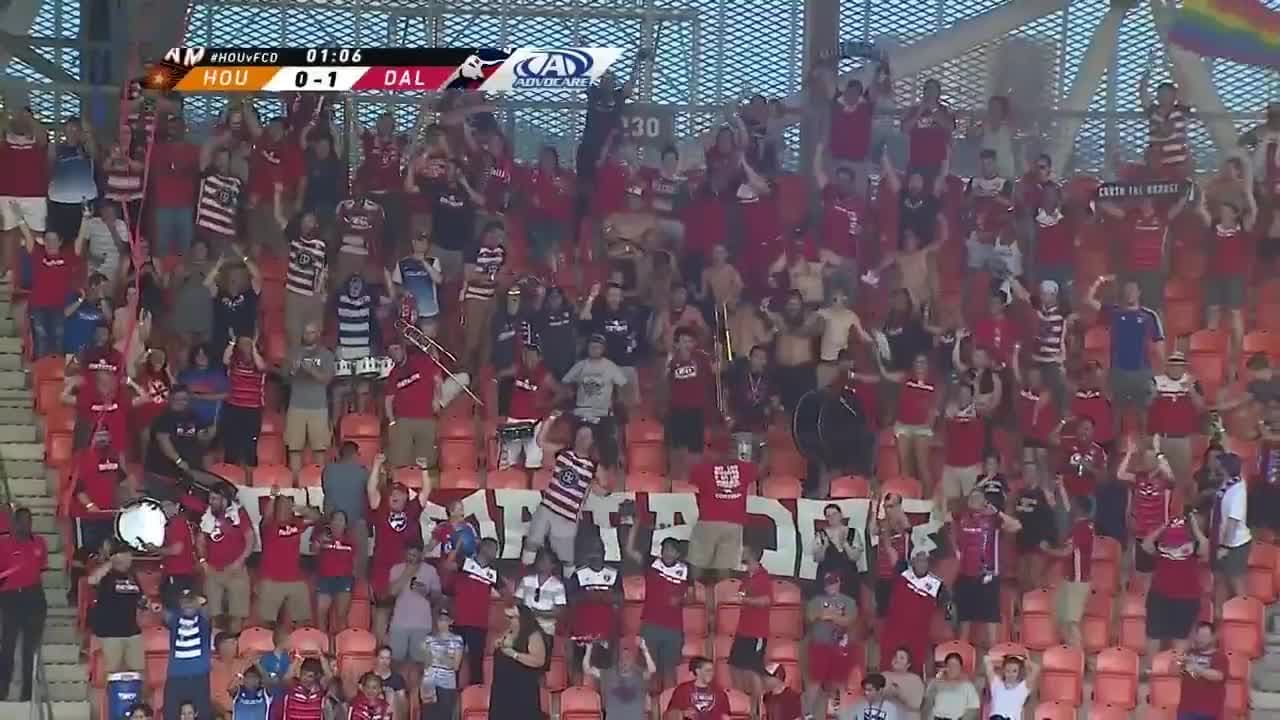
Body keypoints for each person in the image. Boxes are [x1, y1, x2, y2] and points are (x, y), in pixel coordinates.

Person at [521, 421, 604, 574]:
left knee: (566, 559)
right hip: (547, 508)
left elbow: (602, 491)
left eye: (586, 436)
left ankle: (565, 583)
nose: (582, 439)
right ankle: (525, 577)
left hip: (567, 517)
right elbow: (541, 442)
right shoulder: (563, 452)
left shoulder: (594, 465)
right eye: (580, 435)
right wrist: (550, 419)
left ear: (592, 441)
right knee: (531, 546)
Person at [625, 517, 690, 694]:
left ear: (677, 554)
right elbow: (630, 550)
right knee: (647, 670)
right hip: (650, 625)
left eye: (671, 550)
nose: (667, 552)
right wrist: (636, 525)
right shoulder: (652, 563)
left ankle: (670, 703)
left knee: (670, 672)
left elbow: (690, 596)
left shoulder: (686, 570)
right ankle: (646, 705)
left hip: (673, 628)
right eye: (664, 549)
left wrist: (681, 599)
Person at [952, 487, 1022, 651]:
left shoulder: (993, 519)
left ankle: (993, 655)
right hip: (965, 574)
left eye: (978, 498)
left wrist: (997, 513)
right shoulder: (961, 517)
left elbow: (1016, 526)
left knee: (990, 619)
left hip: (988, 575)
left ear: (984, 501)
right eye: (972, 498)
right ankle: (962, 655)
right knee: (964, 620)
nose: (974, 501)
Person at [366, 454, 428, 642]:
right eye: (392, 494)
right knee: (382, 608)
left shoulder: (412, 510)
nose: (395, 496)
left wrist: (424, 470)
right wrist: (376, 465)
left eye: (399, 493)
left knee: (402, 608)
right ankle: (379, 648)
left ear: (406, 497)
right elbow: (371, 490)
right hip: (382, 567)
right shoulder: (381, 510)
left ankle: (396, 647)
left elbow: (426, 491)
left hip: (404, 567)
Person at [688, 438, 758, 582]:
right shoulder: (745, 468)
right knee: (725, 566)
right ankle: (723, 592)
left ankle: (694, 590)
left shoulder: (704, 468)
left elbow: (690, 476)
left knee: (698, 561)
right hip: (734, 523)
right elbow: (759, 470)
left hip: (709, 520)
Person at [1143, 516, 1211, 656]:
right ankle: (1153, 667)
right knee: (1154, 635)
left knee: (1180, 637)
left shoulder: (1194, 547)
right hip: (1159, 596)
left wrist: (1195, 528)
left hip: (1187, 598)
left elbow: (1205, 549)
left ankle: (1176, 667)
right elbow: (1146, 546)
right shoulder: (1160, 545)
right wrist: (1163, 527)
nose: (1174, 545)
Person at [0, 508, 49, 701]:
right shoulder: (3, 544)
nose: (26, 525)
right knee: (8, 646)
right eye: (21, 521)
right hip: (10, 597)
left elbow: (41, 568)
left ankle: (27, 693)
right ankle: (2, 690)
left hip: (34, 596)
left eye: (29, 521)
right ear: (14, 523)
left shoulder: (39, 542)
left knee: (29, 648)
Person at [561, 333, 630, 469]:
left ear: (603, 349)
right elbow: (565, 382)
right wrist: (571, 394)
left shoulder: (610, 366)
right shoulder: (580, 366)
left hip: (603, 413)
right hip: (582, 412)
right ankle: (577, 469)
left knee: (608, 446)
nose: (594, 349)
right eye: (592, 347)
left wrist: (616, 401)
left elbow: (623, 385)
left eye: (598, 347)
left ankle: (607, 470)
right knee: (578, 441)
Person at [256, 494, 320, 629]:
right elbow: (267, 515)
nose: (285, 509)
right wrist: (274, 497)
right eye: (281, 506)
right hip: (271, 579)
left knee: (303, 622)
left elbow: (316, 517)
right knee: (267, 624)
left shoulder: (296, 522)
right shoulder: (268, 525)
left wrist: (297, 507)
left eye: (287, 507)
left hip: (295, 578)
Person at [878, 550, 946, 675]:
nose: (922, 564)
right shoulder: (902, 574)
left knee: (915, 666)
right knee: (888, 663)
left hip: (917, 634)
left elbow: (946, 607)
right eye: (919, 560)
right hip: (894, 630)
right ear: (913, 561)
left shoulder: (936, 585)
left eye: (925, 561)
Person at [197, 489, 254, 633]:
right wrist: (203, 562)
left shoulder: (239, 514)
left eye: (215, 499)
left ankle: (234, 642)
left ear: (224, 500)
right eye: (210, 498)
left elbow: (250, 539)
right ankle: (215, 641)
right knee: (213, 613)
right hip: (213, 570)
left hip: (236, 570)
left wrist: (240, 561)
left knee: (237, 614)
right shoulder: (207, 515)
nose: (211, 502)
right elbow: (200, 540)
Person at [88, 541, 147, 680]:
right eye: (125, 556)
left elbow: (140, 597)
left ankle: (137, 694)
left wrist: (146, 604)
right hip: (111, 632)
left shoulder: (132, 576)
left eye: (129, 556)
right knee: (113, 672)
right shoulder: (107, 575)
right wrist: (111, 562)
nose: (129, 559)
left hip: (132, 630)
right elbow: (92, 580)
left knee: (138, 672)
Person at [284, 322, 335, 474]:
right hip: (296, 406)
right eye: (306, 332)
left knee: (319, 449)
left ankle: (318, 482)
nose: (308, 336)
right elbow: (284, 379)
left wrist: (311, 370)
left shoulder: (326, 354)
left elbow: (327, 380)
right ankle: (296, 482)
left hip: (318, 407)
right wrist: (293, 370)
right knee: (294, 448)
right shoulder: (293, 353)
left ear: (318, 334)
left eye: (312, 332)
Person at [453, 537, 502, 686]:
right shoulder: (464, 563)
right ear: (484, 548)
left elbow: (505, 592)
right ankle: (451, 692)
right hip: (459, 620)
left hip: (479, 623)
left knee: (476, 662)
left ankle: (476, 693)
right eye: (493, 549)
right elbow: (448, 569)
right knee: (454, 661)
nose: (495, 553)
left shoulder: (493, 573)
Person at [728, 544, 772, 700]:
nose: (741, 554)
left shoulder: (763, 576)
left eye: (744, 552)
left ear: (752, 555)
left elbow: (766, 601)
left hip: (756, 632)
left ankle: (756, 709)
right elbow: (742, 595)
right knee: (734, 667)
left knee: (753, 671)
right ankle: (740, 702)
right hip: (743, 630)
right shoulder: (747, 577)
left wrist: (744, 600)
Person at [489, 605, 548, 720]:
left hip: (522, 690)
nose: (509, 620)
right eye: (508, 617)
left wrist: (514, 655)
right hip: (502, 689)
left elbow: (539, 661)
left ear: (522, 619)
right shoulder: (507, 633)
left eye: (512, 618)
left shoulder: (533, 635)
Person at [388, 542, 443, 666]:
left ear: (420, 555)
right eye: (409, 554)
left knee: (419, 664)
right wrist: (407, 573)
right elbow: (392, 593)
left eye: (414, 555)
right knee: (395, 661)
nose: (411, 557)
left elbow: (437, 598)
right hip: (399, 624)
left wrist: (425, 592)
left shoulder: (430, 571)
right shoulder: (396, 569)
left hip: (422, 625)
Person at [321, 442, 370, 578]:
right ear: (355, 454)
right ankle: (358, 583)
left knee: (331, 564)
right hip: (355, 524)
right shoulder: (363, 472)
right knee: (357, 566)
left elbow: (325, 490)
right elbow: (372, 492)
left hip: (332, 523)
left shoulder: (328, 470)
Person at [163, 589, 214, 720]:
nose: (188, 605)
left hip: (199, 676)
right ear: (179, 603)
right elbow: (163, 612)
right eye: (185, 601)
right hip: (176, 676)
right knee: (171, 714)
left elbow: (207, 608)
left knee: (202, 714)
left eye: (191, 601)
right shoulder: (175, 617)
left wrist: (200, 601)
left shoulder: (203, 619)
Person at [1211, 453, 1252, 617]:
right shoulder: (1227, 483)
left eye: (1217, 465)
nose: (1214, 467)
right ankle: (1217, 616)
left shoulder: (1238, 491)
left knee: (1236, 583)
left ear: (1224, 469)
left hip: (1234, 545)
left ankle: (1246, 617)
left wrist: (1224, 547)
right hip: (1219, 541)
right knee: (1219, 580)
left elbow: (1233, 522)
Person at [220, 336, 267, 470]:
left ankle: (249, 479)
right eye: (243, 344)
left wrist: (254, 349)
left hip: (252, 411)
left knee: (250, 448)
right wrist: (232, 343)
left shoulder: (260, 363)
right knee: (231, 447)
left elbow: (261, 366)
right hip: (233, 408)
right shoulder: (234, 362)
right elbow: (225, 360)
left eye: (248, 344)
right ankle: (230, 476)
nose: (245, 347)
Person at [515, 548, 567, 666]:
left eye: (545, 560)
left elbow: (559, 611)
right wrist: (525, 614)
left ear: (553, 565)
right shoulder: (526, 580)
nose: (541, 563)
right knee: (522, 663)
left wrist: (537, 613)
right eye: (540, 560)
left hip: (546, 630)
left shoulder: (558, 586)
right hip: (525, 629)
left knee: (540, 665)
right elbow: (517, 601)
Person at [583, 639, 655, 720]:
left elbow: (652, 669)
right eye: (623, 658)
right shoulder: (608, 674)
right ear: (618, 661)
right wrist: (589, 649)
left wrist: (645, 650)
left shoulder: (639, 675)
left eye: (628, 658)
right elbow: (587, 669)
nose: (625, 661)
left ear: (633, 662)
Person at [312, 511, 355, 637]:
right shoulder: (322, 536)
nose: (338, 523)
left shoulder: (351, 539)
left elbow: (356, 561)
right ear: (330, 523)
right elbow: (313, 550)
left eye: (341, 520)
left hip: (344, 580)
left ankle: (342, 645)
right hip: (325, 579)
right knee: (321, 615)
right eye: (335, 520)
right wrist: (320, 541)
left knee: (341, 617)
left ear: (345, 525)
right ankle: (323, 644)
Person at [1177, 622, 1228, 720]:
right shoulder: (1189, 653)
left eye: (1204, 636)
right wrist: (1180, 657)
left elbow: (1218, 676)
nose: (1200, 639)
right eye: (1199, 636)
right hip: (1185, 710)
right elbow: (1173, 671)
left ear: (1213, 637)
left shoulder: (1220, 657)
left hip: (1208, 711)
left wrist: (1196, 668)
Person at [420, 607, 464, 720]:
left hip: (447, 684)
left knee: (444, 716)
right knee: (428, 716)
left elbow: (456, 666)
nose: (442, 623)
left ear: (451, 621)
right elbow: (426, 664)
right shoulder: (429, 638)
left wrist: (440, 656)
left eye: (445, 620)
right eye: (440, 620)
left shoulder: (457, 640)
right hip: (429, 683)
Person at [814, 503, 864, 599]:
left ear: (841, 515)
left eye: (834, 514)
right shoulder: (821, 534)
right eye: (828, 516)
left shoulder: (853, 532)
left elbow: (855, 558)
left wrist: (845, 543)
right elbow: (817, 559)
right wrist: (824, 547)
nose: (832, 518)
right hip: (827, 578)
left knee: (848, 605)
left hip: (848, 577)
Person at [665, 656, 731, 720]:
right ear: (698, 671)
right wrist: (683, 713)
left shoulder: (719, 692)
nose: (711, 673)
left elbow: (726, 714)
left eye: (712, 670)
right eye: (708, 670)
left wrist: (725, 717)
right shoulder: (682, 690)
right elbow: (669, 715)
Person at [923, 652, 979, 720]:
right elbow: (927, 705)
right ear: (945, 666)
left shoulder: (968, 686)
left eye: (955, 665)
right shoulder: (935, 683)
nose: (952, 668)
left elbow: (973, 709)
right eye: (949, 665)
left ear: (961, 667)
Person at [984, 653, 1038, 720]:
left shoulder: (1024, 686)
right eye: (1008, 671)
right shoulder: (996, 683)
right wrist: (1003, 659)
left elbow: (1036, 668)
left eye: (1014, 671)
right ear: (1003, 671)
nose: (1011, 674)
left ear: (1019, 672)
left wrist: (1023, 659)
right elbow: (987, 660)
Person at [880, 648, 925, 720]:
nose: (897, 660)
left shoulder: (915, 679)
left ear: (908, 664)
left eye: (902, 658)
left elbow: (917, 705)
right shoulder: (884, 675)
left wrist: (898, 693)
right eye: (895, 657)